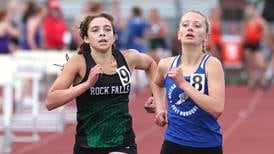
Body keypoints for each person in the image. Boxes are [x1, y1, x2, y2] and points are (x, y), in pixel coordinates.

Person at [46, 13, 158, 154]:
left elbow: (151, 65)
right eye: (95, 30)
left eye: (107, 29)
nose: (102, 34)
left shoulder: (128, 58)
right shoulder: (78, 63)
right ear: (86, 38)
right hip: (88, 144)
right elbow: (50, 101)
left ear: (114, 36)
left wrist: (155, 97)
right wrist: (86, 84)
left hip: (122, 142)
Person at [146, 10, 225, 154]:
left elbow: (217, 108)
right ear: (179, 34)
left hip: (206, 144)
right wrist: (159, 106)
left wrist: (183, 84)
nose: (190, 28)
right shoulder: (166, 64)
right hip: (173, 142)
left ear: (206, 37)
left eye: (197, 25)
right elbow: (157, 84)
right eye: (185, 25)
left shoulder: (211, 65)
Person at [242, 3, 270, 90]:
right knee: (250, 64)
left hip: (257, 44)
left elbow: (266, 32)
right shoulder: (247, 22)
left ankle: (263, 80)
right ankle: (251, 81)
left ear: (254, 10)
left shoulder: (260, 21)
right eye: (247, 10)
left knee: (260, 64)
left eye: (250, 9)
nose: (248, 12)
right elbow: (244, 33)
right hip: (248, 45)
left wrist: (264, 42)